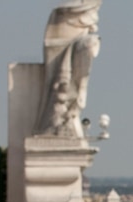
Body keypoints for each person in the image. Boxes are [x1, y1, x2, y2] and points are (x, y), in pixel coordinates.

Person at [35, 1, 102, 138]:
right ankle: (56, 120)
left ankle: (67, 113)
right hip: (62, 30)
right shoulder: (61, 15)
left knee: (90, 44)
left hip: (74, 30)